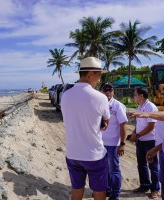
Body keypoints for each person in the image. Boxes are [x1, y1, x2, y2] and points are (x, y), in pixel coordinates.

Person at [61, 57, 111, 200]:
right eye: (99, 74)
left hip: (73, 153)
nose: (100, 79)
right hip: (93, 154)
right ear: (90, 74)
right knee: (99, 192)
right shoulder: (100, 98)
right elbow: (106, 123)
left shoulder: (65, 95)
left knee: (76, 190)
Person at [129, 87, 160, 199]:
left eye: (135, 94)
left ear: (141, 96)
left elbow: (151, 126)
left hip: (150, 141)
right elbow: (139, 124)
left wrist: (137, 135)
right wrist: (134, 133)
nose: (134, 96)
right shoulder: (140, 106)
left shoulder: (151, 107)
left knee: (153, 165)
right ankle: (145, 185)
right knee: (141, 165)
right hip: (141, 141)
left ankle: (155, 189)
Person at [100, 82, 128, 200]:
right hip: (101, 144)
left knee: (114, 171)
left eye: (110, 90)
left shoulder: (118, 106)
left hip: (113, 145)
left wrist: (122, 144)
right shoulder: (99, 104)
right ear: (101, 91)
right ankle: (107, 189)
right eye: (105, 90)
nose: (108, 92)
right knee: (104, 169)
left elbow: (123, 125)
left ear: (113, 91)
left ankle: (115, 195)